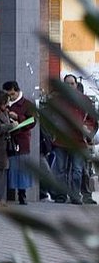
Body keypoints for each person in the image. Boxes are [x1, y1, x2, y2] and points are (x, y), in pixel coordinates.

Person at [47, 74, 97, 204]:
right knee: (60, 171)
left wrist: (88, 129)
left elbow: (93, 119)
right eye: (67, 84)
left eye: (72, 83)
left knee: (77, 171)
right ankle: (61, 195)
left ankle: (75, 196)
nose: (70, 86)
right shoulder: (56, 101)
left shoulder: (84, 100)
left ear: (76, 85)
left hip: (79, 142)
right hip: (60, 140)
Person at [3, 81, 36, 205]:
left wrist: (18, 117)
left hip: (21, 139)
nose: (10, 97)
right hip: (7, 138)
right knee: (9, 166)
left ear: (16, 90)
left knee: (21, 168)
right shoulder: (4, 103)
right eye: (8, 95)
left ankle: (22, 194)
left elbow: (32, 121)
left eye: (11, 94)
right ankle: (7, 193)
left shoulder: (27, 104)